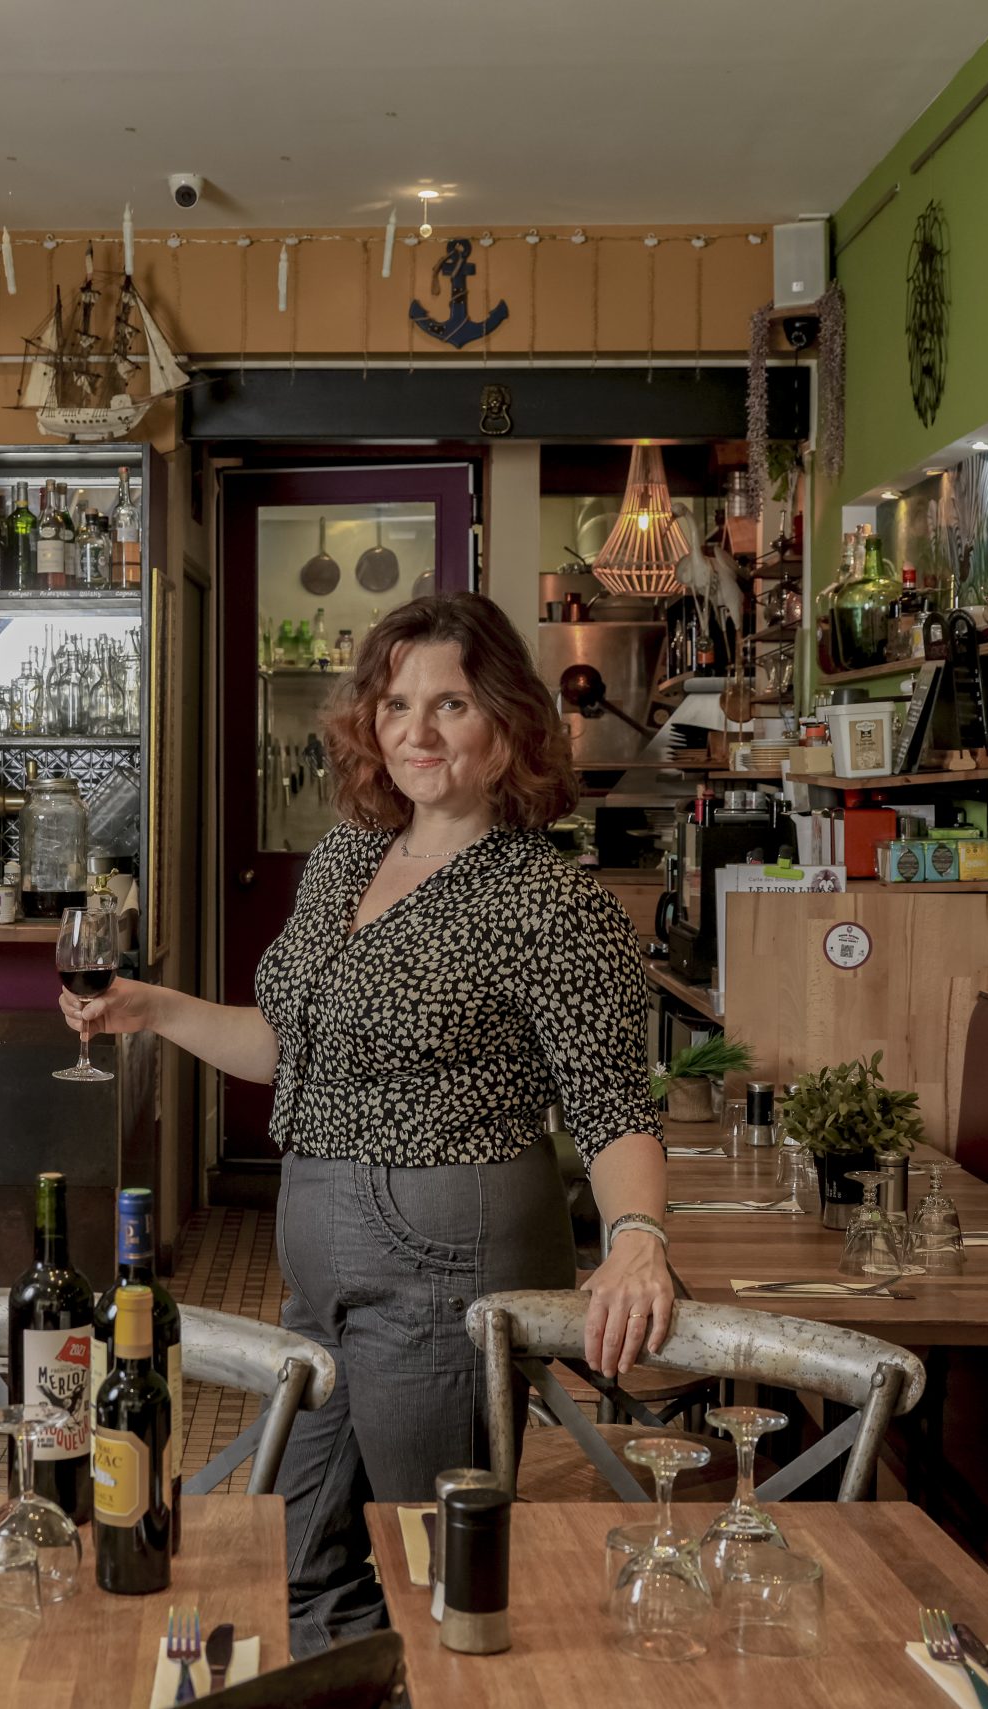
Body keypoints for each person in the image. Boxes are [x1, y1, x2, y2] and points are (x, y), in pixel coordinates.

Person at [62, 591, 673, 1652]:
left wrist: (637, 1240)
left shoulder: (549, 900)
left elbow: (613, 1103)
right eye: (396, 704)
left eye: (450, 704)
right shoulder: (349, 855)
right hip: (320, 1256)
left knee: (432, 1559)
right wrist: (151, 1009)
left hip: (448, 1254)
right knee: (300, 1558)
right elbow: (288, 1042)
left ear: (508, 721)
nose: (416, 731)